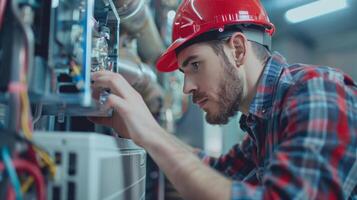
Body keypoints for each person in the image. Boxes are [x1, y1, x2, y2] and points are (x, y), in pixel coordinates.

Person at [90, 0, 357, 199]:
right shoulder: (261, 122)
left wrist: (151, 134)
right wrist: (141, 130)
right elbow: (215, 173)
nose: (187, 88)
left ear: (238, 50)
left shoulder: (318, 91)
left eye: (195, 65)